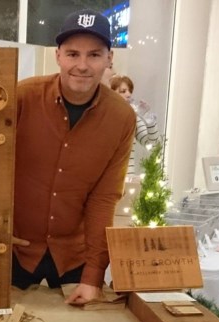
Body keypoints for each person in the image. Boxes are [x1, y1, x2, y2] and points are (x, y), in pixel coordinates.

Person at [12, 9, 135, 305]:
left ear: (109, 59)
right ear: (58, 56)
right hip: (11, 250)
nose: (82, 65)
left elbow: (104, 198)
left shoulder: (121, 118)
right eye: (72, 54)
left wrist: (94, 275)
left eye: (94, 55)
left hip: (73, 257)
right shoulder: (22, 97)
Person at [108, 74, 162, 177]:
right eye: (123, 91)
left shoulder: (134, 118)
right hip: (104, 181)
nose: (128, 95)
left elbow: (154, 146)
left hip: (126, 180)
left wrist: (149, 122)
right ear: (111, 93)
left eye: (129, 91)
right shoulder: (103, 117)